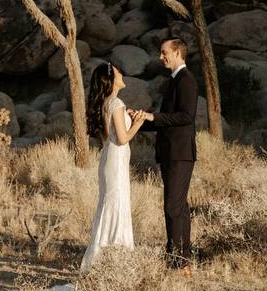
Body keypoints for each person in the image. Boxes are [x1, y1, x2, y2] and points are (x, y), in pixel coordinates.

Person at [133, 39, 197, 274]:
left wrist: (152, 118)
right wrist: (139, 121)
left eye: (164, 53)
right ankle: (182, 261)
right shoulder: (173, 81)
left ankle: (177, 261)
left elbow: (186, 117)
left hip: (179, 154)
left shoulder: (186, 80)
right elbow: (167, 120)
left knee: (172, 207)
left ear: (178, 53)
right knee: (178, 207)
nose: (160, 57)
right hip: (171, 153)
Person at [80, 62, 145, 272]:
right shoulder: (116, 103)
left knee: (108, 205)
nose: (122, 74)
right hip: (116, 160)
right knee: (117, 206)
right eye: (118, 72)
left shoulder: (105, 103)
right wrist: (137, 123)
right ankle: (116, 262)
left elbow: (110, 136)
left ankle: (101, 261)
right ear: (111, 79)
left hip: (109, 157)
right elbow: (123, 138)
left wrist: (127, 119)